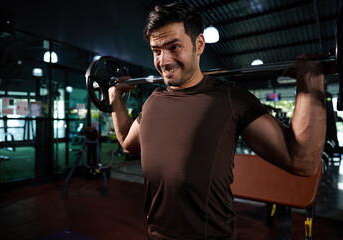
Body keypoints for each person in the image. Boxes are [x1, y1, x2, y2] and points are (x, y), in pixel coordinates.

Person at [108, 2, 326, 239]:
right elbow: (128, 143)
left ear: (199, 45)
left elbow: (302, 162)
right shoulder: (153, 102)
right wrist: (115, 98)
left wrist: (310, 81)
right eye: (156, 50)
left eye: (174, 47)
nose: (164, 61)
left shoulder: (230, 98)